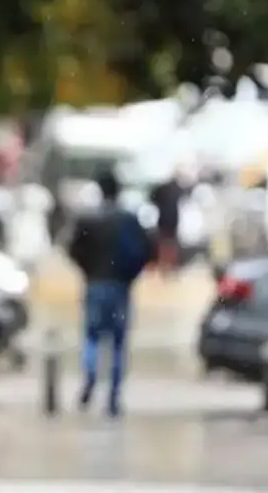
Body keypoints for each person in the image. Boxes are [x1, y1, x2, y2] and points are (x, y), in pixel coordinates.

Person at [67, 171, 152, 417]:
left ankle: (91, 379)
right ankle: (113, 398)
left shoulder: (88, 219)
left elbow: (73, 250)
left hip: (95, 284)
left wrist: (88, 271)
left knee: (92, 337)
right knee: (117, 343)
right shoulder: (129, 219)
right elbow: (146, 251)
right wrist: (130, 276)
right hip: (120, 286)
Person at [149, 171, 185, 277]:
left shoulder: (162, 188)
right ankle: (171, 266)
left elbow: (152, 198)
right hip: (173, 219)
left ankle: (164, 266)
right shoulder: (177, 189)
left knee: (163, 243)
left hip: (163, 218)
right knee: (172, 243)